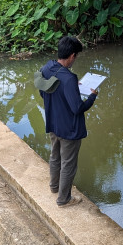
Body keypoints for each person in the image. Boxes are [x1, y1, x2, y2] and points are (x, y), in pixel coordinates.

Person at [38, 35, 98, 207]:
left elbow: (43, 92)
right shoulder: (69, 78)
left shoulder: (47, 67)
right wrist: (92, 96)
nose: (75, 59)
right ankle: (64, 199)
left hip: (53, 123)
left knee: (55, 156)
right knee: (68, 164)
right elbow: (77, 108)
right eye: (76, 56)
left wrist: (70, 89)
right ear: (72, 55)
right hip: (69, 129)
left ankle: (54, 186)